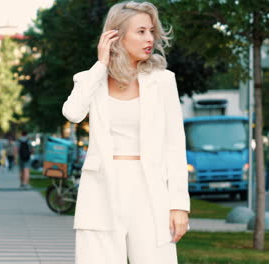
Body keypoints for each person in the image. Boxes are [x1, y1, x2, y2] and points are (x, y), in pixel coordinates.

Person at [62, 2, 190, 263]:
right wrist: (100, 65)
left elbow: (175, 145)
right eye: (141, 31)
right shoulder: (91, 79)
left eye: (151, 31)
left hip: (149, 190)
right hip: (101, 191)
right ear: (116, 36)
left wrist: (179, 205)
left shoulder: (163, 81)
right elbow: (73, 112)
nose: (150, 38)